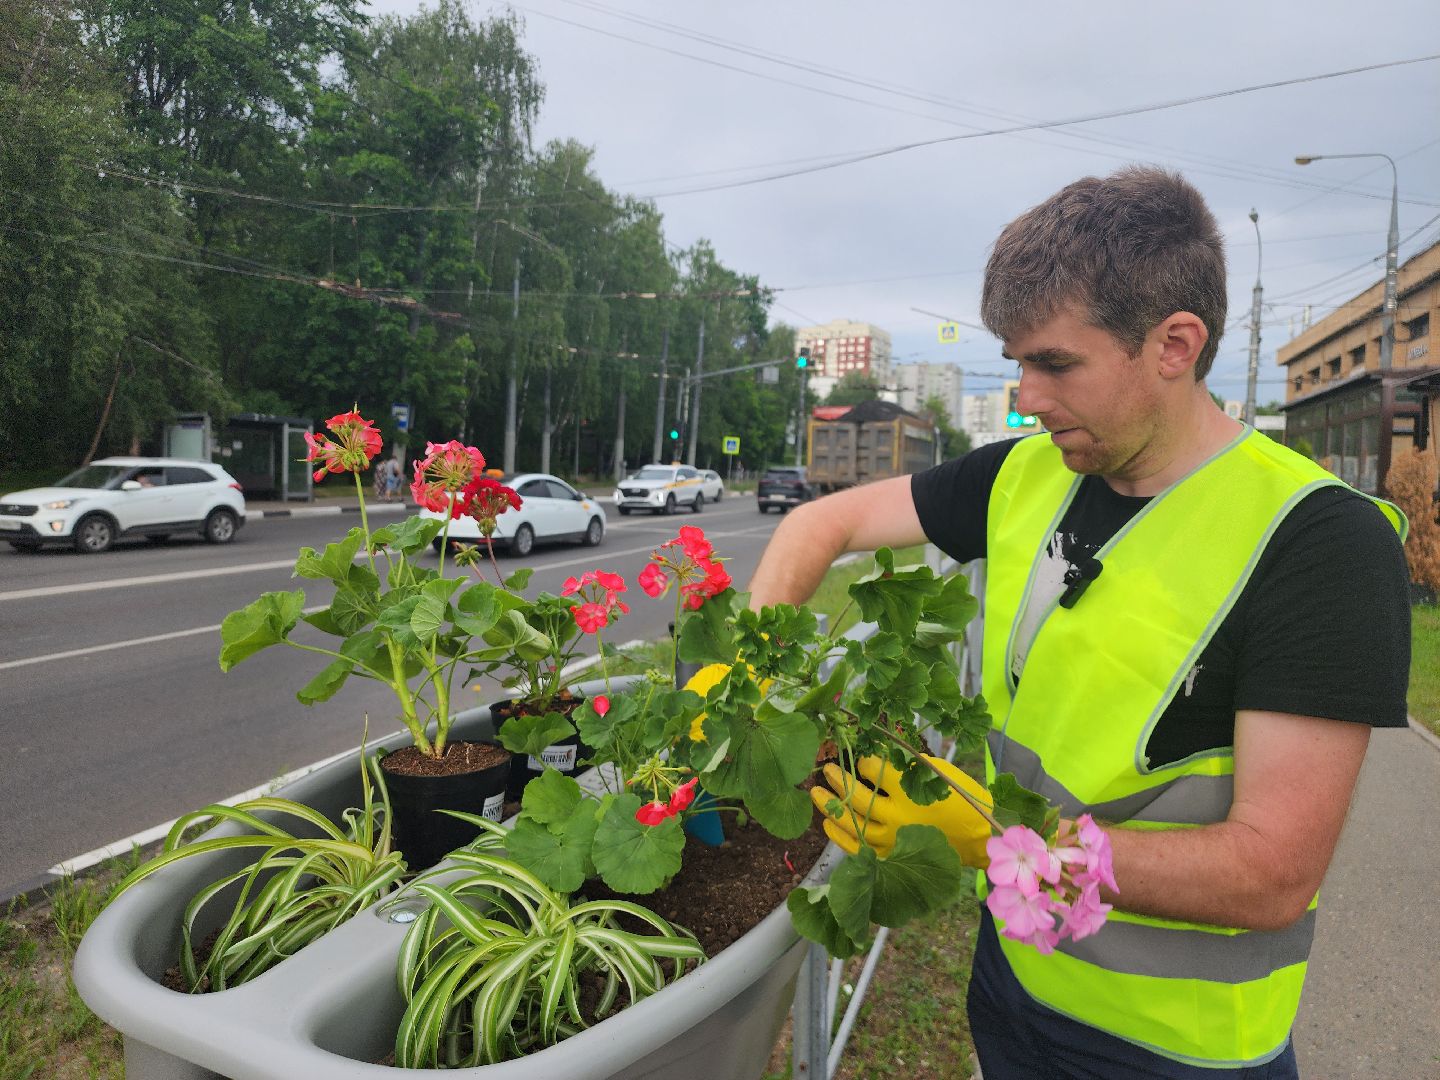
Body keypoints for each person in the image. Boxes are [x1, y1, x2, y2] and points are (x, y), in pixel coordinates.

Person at [747, 166, 1411, 1079]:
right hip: (1015, 985)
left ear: (1176, 343)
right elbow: (820, 521)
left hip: (1174, 1049)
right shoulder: (1028, 473)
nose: (1026, 394)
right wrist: (753, 674)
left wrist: (991, 841)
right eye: (1017, 361)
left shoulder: (1317, 541)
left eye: (1056, 363)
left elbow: (1271, 873)